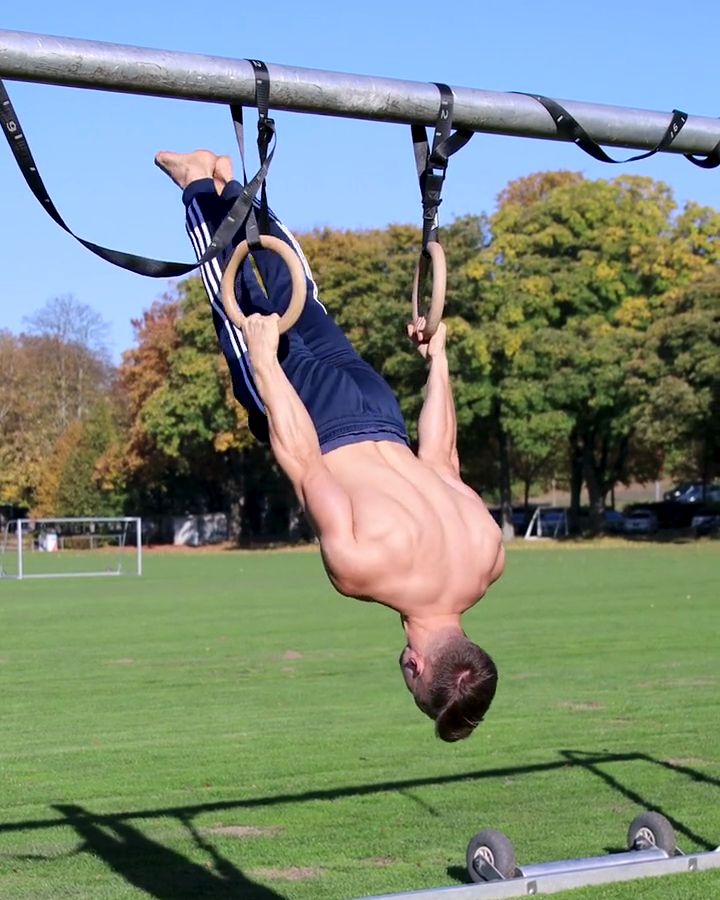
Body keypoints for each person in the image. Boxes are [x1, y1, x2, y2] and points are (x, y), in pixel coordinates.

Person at [155, 149, 505, 742]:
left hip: (380, 409)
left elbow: (442, 458)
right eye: (413, 689)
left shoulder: (488, 556)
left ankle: (234, 186)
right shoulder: (363, 573)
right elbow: (304, 462)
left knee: (303, 301)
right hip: (319, 420)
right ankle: (198, 185)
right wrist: (265, 369)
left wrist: (438, 362)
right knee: (239, 302)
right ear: (418, 670)